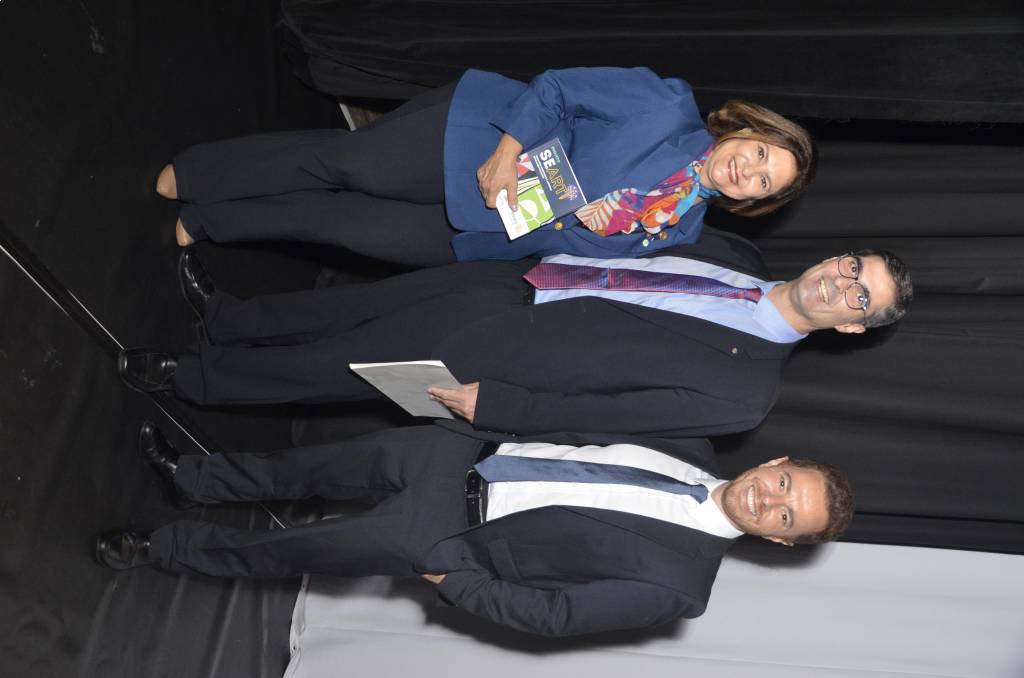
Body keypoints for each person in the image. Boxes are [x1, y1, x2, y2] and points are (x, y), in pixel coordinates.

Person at [118, 228, 912, 438]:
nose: (840, 281)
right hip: (519, 279)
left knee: (343, 366)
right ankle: (231, 318)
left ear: (851, 326)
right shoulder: (739, 256)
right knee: (354, 309)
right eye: (852, 265)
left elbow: (614, 419)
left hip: (510, 359)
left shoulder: (746, 395)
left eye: (858, 294)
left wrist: (500, 408)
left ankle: (195, 377)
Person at [96, 421, 854, 637]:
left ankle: (162, 548)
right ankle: (193, 478)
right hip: (455, 454)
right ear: (778, 462)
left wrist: (455, 581)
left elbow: (556, 616)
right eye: (785, 485)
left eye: (787, 518)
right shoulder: (693, 446)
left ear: (778, 541)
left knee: (288, 548)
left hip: (451, 536)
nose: (770, 501)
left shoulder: (681, 589)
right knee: (304, 468)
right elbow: (578, 428)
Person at [156, 67, 816, 267]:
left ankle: (215, 222)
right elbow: (559, 88)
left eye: (764, 182)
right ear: (747, 130)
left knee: (335, 228)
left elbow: (573, 250)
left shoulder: (679, 228)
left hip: (485, 233)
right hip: (480, 142)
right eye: (760, 153)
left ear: (753, 201)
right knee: (343, 164)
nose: (748, 171)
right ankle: (203, 174)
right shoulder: (668, 106)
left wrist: (597, 229)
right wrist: (508, 152)